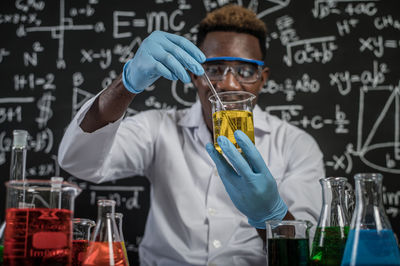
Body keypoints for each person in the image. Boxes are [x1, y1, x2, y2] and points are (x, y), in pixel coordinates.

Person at [58, 4, 324, 266]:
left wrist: (269, 215)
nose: (229, 84)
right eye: (214, 69)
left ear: (262, 78)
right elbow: (77, 161)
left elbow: (307, 256)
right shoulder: (158, 128)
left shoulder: (296, 145)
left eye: (245, 70)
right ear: (196, 74)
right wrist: (127, 84)